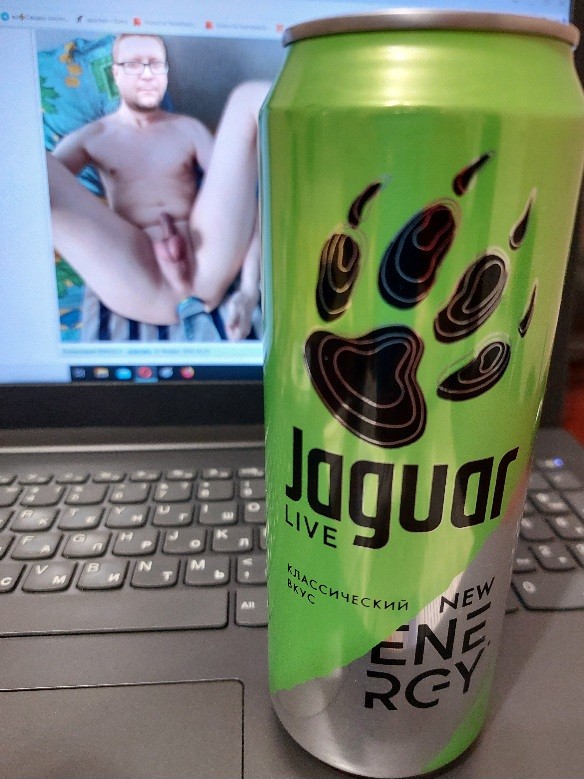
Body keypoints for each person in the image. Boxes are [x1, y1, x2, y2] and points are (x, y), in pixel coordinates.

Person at [47, 33, 269, 341]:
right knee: (33, 161)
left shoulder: (187, 128)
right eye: (134, 65)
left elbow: (241, 193)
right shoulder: (92, 137)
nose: (148, 75)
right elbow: (44, 187)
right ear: (115, 74)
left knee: (250, 96)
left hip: (205, 258)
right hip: (138, 273)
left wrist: (248, 289)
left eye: (155, 64)